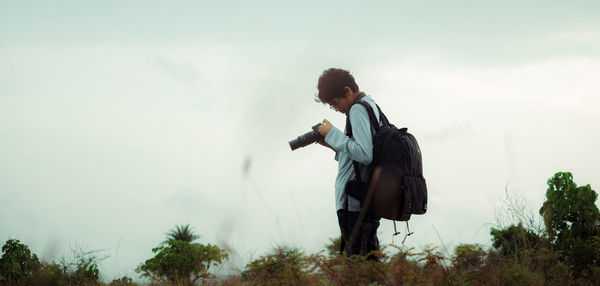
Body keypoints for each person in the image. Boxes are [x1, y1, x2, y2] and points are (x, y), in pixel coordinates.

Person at [315, 68, 381, 260]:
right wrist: (332, 144)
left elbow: (365, 154)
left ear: (347, 91)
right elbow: (359, 155)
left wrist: (334, 133)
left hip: (354, 205)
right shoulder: (369, 104)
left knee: (358, 266)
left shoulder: (358, 109)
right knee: (368, 264)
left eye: (336, 102)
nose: (336, 109)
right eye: (332, 106)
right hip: (361, 200)